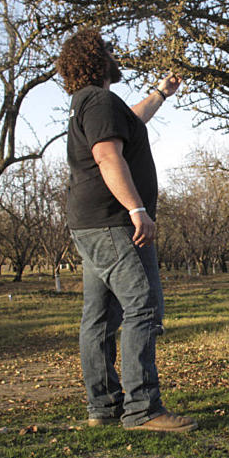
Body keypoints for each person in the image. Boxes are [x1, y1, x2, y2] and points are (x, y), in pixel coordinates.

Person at [57, 28, 196, 432]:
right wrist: (137, 209)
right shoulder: (99, 101)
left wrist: (161, 93)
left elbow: (130, 122)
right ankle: (142, 409)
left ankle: (102, 408)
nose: (112, 56)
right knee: (144, 306)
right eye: (106, 51)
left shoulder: (89, 104)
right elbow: (106, 155)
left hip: (90, 223)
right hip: (113, 222)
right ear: (97, 60)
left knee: (99, 317)